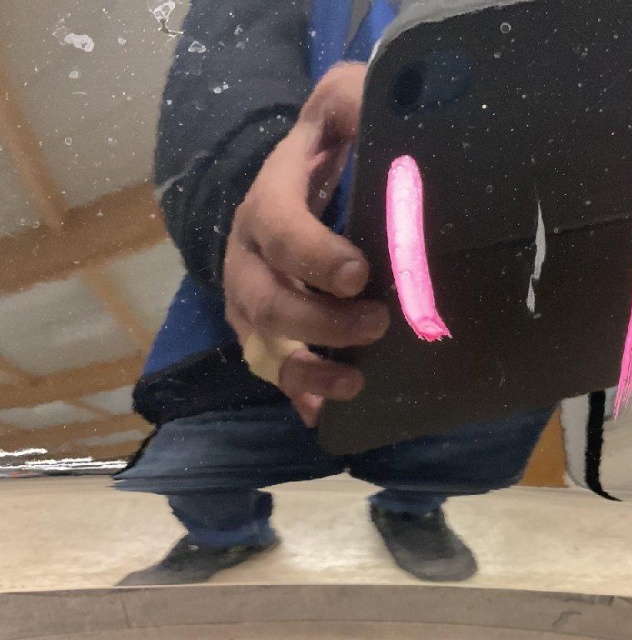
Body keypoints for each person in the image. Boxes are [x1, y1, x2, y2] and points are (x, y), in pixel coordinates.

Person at [114, 0, 552, 586]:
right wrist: (244, 186)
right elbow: (222, 55)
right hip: (249, 307)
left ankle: (409, 511)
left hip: (474, 303)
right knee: (198, 455)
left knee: (449, 445)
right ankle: (226, 534)